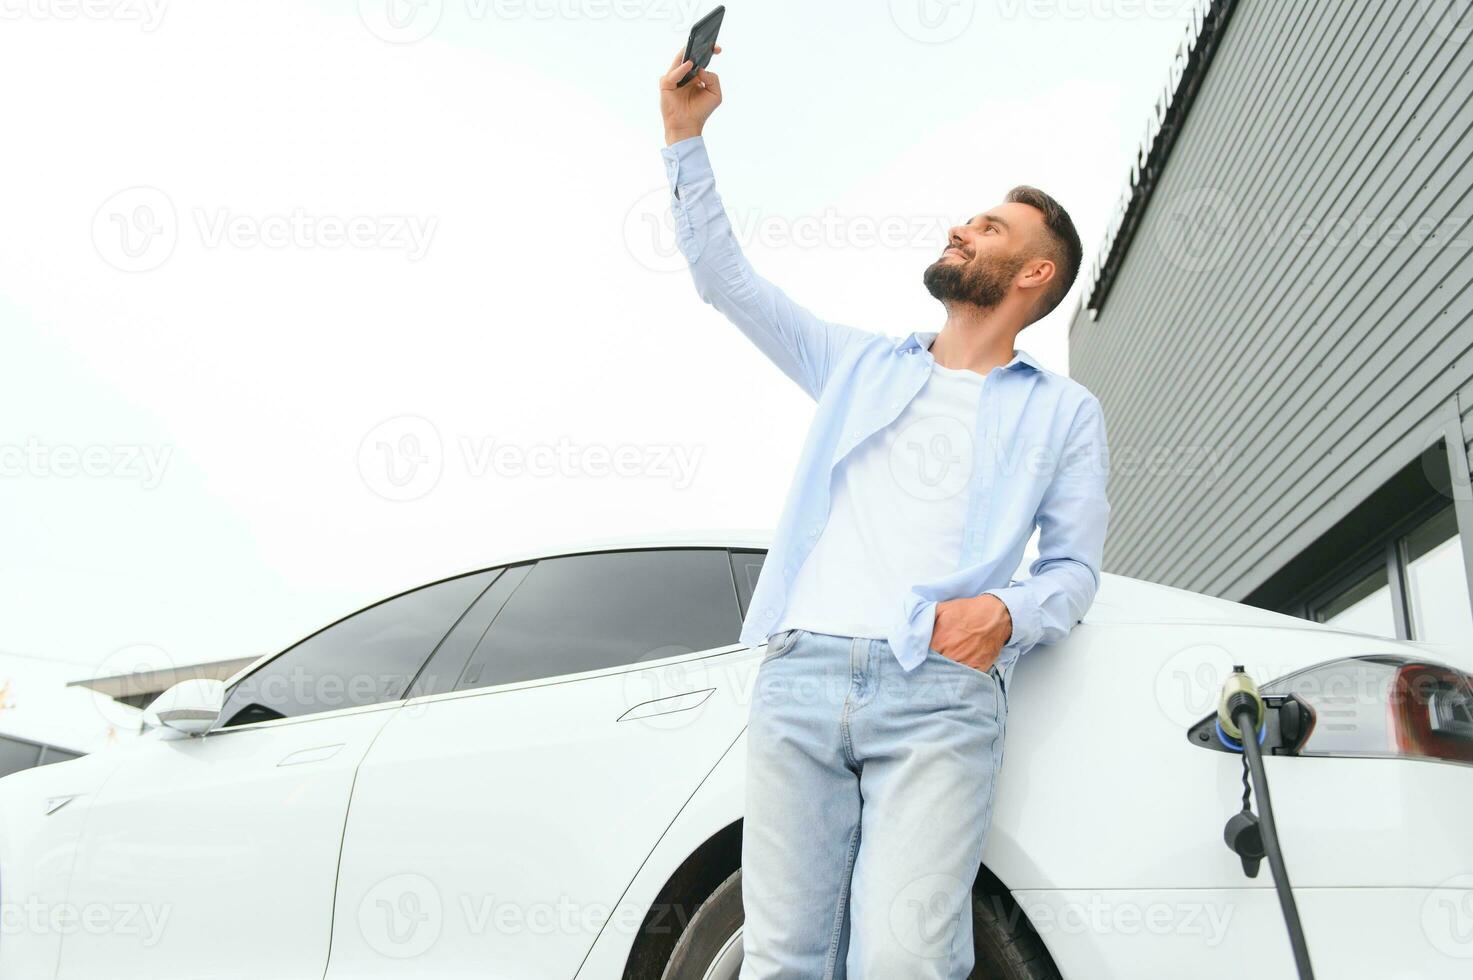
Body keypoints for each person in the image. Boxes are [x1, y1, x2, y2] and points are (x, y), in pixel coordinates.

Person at [657, 45, 1110, 979]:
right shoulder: (855, 364)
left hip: (937, 694)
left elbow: (1072, 570)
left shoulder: (1063, 411)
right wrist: (684, 138)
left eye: (987, 227)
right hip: (801, 675)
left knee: (904, 960)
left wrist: (1002, 613)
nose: (961, 228)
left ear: (1032, 275)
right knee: (784, 957)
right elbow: (723, 279)